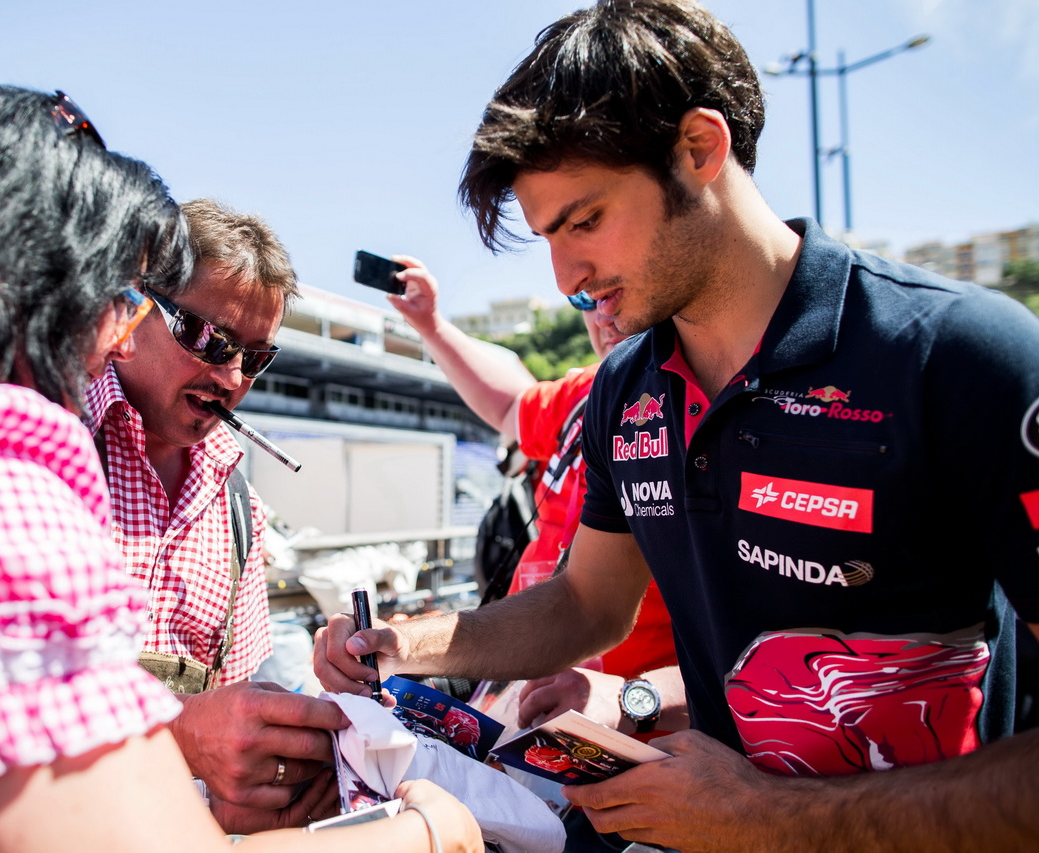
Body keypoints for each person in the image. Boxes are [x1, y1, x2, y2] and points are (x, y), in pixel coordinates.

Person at [314, 1, 1039, 850]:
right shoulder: (627, 387)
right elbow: (587, 604)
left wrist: (770, 821)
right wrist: (404, 642)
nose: (566, 277)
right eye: (548, 236)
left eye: (584, 221)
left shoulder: (964, 357)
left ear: (700, 149)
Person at [0, 84, 482, 853]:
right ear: (24, 278)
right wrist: (430, 832)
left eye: (257, 358)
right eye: (121, 297)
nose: (117, 332)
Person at [86, 197, 349, 831]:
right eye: (208, 339)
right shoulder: (47, 443)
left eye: (254, 358)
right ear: (131, 308)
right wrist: (181, 734)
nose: (231, 378)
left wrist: (278, 771)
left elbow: (229, 711)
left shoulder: (238, 507)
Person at [384, 255, 685, 738]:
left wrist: (639, 698)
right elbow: (509, 408)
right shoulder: (584, 393)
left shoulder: (702, 407)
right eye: (586, 298)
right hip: (522, 678)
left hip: (621, 717)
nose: (602, 313)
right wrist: (430, 324)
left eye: (616, 288)